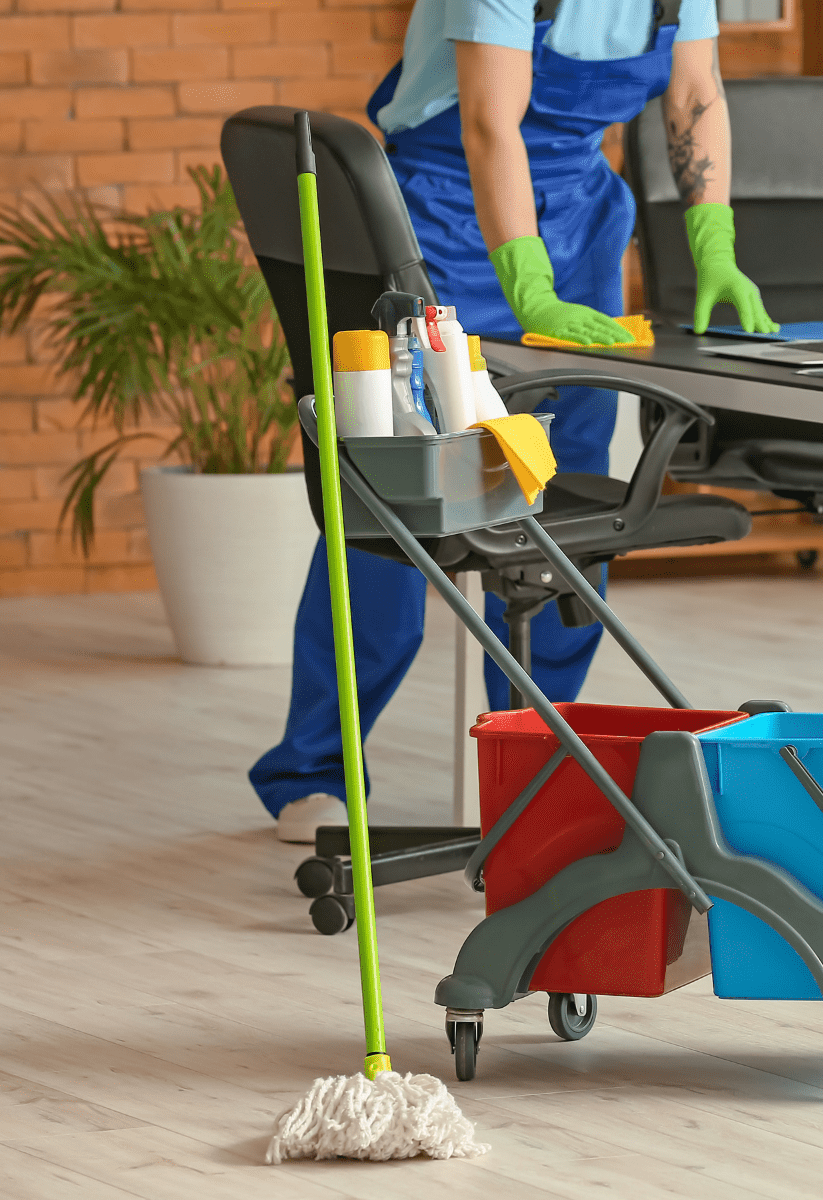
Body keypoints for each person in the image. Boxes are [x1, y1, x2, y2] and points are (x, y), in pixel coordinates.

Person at [252, 0, 778, 841]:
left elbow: (695, 94)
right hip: (442, 222)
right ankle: (313, 769)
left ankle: (538, 758)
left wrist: (715, 243)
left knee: (565, 499)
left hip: (578, 223)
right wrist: (529, 289)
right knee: (396, 501)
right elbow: (489, 125)